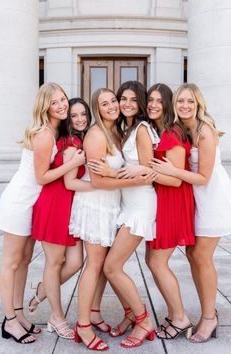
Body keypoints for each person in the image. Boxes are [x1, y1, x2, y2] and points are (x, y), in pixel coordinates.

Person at [0, 83, 84, 344]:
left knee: (24, 260)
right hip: (19, 201)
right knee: (11, 262)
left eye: (63, 100)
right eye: (54, 101)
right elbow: (42, 176)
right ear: (44, 106)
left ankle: (20, 314)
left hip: (33, 202)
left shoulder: (56, 130)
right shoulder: (45, 133)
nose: (62, 105)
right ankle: (10, 321)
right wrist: (73, 163)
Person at [70, 87, 152, 351]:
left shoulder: (117, 131)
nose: (112, 106)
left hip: (112, 205)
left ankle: (94, 312)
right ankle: (82, 325)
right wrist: (132, 178)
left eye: (113, 101)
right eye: (104, 103)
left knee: (104, 264)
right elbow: (96, 180)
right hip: (95, 204)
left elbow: (119, 172)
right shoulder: (95, 135)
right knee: (95, 265)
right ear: (97, 108)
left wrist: (123, 176)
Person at [152, 83, 231, 343]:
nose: (185, 106)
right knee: (192, 255)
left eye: (190, 102)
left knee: (202, 256)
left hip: (211, 197)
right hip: (196, 198)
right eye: (180, 102)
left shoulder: (205, 131)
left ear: (198, 104)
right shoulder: (185, 129)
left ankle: (209, 318)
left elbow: (204, 177)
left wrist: (172, 171)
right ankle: (208, 312)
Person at [90, 81, 159, 349]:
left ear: (140, 102)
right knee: (110, 265)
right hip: (127, 204)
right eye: (123, 98)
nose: (126, 103)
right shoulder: (125, 129)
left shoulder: (141, 129)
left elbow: (147, 171)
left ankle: (143, 319)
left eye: (132, 99)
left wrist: (110, 173)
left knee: (111, 267)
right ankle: (131, 313)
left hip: (140, 205)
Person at [30, 98, 90, 339]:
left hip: (70, 207)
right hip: (55, 205)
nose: (79, 119)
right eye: (73, 116)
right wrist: (102, 184)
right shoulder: (69, 143)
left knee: (75, 262)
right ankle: (56, 317)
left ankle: (44, 290)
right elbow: (66, 180)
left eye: (83, 114)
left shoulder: (81, 139)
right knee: (54, 264)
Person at [144, 83, 194, 340]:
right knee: (152, 261)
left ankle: (180, 318)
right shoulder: (159, 131)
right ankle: (175, 314)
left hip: (172, 201)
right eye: (150, 100)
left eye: (158, 101)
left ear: (168, 104)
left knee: (157, 261)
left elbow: (175, 179)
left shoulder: (172, 133)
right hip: (163, 200)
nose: (153, 104)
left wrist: (142, 174)